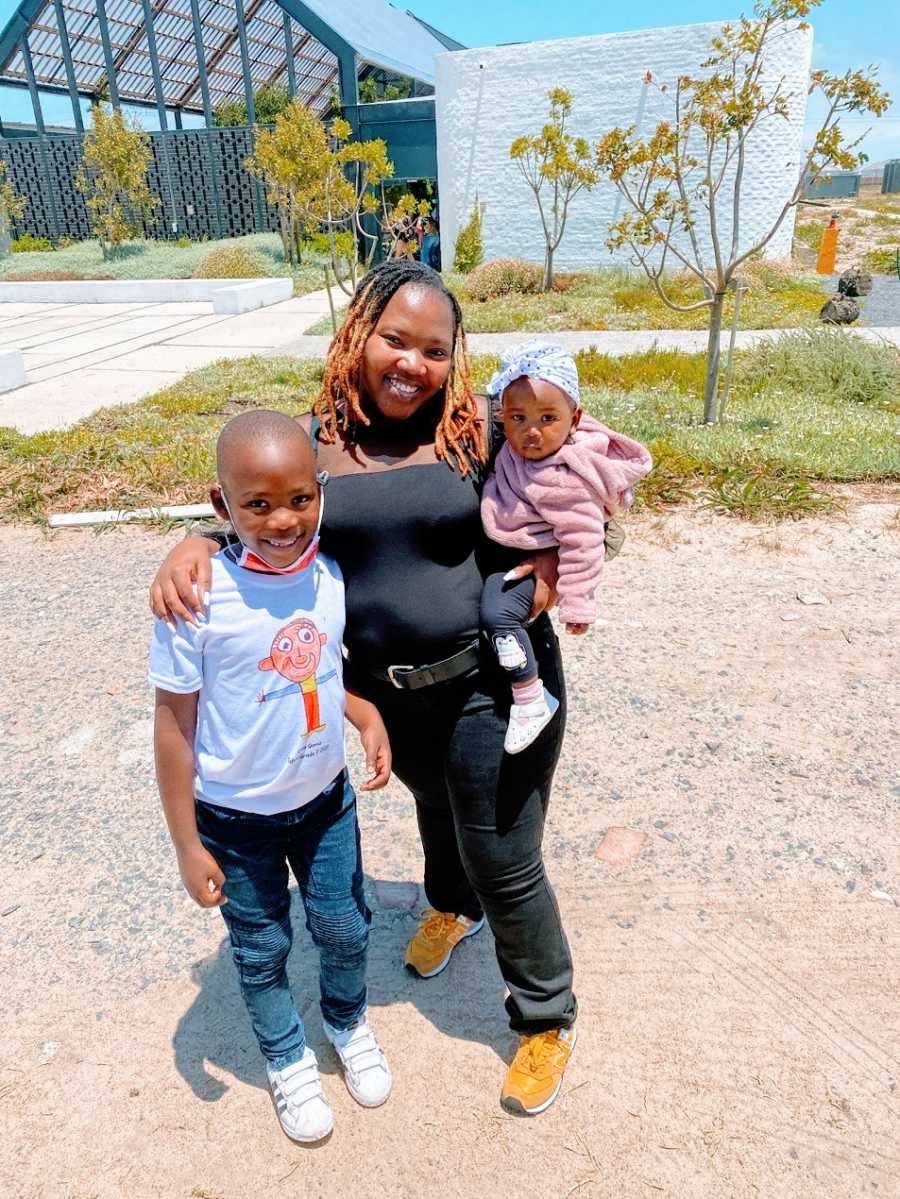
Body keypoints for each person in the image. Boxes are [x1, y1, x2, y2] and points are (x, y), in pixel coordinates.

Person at [150, 260, 576, 1117]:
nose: (411, 362)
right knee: (434, 811)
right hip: (383, 693)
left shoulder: (476, 434)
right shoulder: (314, 442)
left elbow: (567, 482)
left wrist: (552, 564)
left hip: (492, 680)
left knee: (501, 848)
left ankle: (545, 1014)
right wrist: (191, 540)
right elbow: (265, 510)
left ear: (453, 358)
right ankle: (450, 909)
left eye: (434, 348)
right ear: (358, 334)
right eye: (395, 338)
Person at [150, 411, 393, 1145]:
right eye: (257, 504)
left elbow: (314, 669)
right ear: (222, 506)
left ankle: (345, 1020)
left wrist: (362, 710)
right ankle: (287, 1055)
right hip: (235, 820)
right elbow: (173, 727)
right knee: (260, 950)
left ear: (319, 491)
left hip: (325, 804)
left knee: (346, 926)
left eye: (298, 498)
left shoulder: (328, 575)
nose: (282, 518)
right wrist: (187, 845)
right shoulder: (195, 600)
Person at [480, 340, 652, 753]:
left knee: (497, 613)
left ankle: (528, 696)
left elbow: (583, 542)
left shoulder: (564, 477)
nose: (531, 430)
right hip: (518, 549)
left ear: (574, 418)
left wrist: (577, 601)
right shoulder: (521, 450)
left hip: (538, 559)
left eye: (547, 418)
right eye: (517, 418)